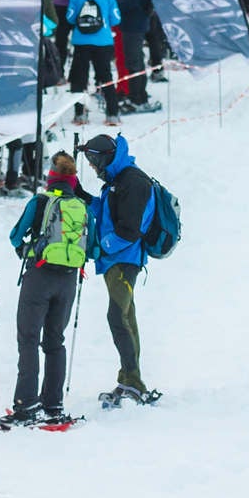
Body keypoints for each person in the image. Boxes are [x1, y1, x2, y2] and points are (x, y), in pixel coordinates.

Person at [4, 152, 89, 426]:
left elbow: (16, 235)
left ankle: (26, 405)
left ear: (50, 177)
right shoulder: (80, 205)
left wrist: (25, 248)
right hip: (68, 280)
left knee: (28, 339)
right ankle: (53, 404)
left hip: (39, 276)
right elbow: (94, 246)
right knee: (55, 341)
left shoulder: (41, 202)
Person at [81, 133, 157, 405]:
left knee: (117, 317)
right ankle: (128, 380)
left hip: (125, 261)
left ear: (105, 158)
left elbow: (130, 229)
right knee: (127, 318)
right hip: (116, 261)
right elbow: (108, 211)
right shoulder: (118, 180)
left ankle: (134, 382)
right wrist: (83, 197)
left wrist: (103, 246)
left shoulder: (132, 181)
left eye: (93, 161)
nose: (92, 167)